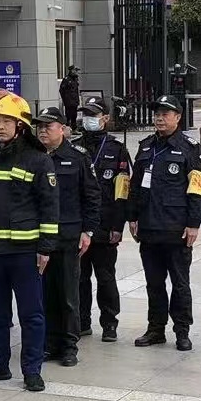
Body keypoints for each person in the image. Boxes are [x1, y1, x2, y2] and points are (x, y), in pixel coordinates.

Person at [0, 94, 59, 392]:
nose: (1, 126)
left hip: (25, 253)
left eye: (8, 121)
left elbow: (49, 207)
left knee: (31, 314)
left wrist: (45, 248)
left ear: (20, 126)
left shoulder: (38, 160)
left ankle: (32, 370)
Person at [127, 95, 201, 351]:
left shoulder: (190, 148)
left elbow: (198, 188)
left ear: (178, 117)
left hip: (176, 228)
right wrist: (132, 216)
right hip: (149, 226)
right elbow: (135, 185)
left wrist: (194, 223)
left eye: (165, 114)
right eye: (157, 114)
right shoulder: (146, 146)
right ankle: (156, 329)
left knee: (180, 284)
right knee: (154, 283)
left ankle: (182, 331)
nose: (159, 118)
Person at [35, 106, 100, 367]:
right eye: (39, 126)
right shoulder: (33, 156)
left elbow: (92, 196)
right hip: (40, 237)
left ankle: (69, 345)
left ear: (62, 129)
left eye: (48, 126)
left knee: (68, 295)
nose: (42, 131)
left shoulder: (77, 157)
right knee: (45, 293)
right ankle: (49, 343)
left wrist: (88, 230)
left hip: (68, 235)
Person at [76, 95, 131, 341]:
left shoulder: (116, 149)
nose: (88, 119)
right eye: (85, 114)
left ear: (105, 118)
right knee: (79, 278)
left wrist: (118, 226)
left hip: (105, 225)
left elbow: (123, 192)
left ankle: (109, 323)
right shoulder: (74, 147)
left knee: (105, 277)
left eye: (93, 115)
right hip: (79, 227)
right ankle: (82, 321)